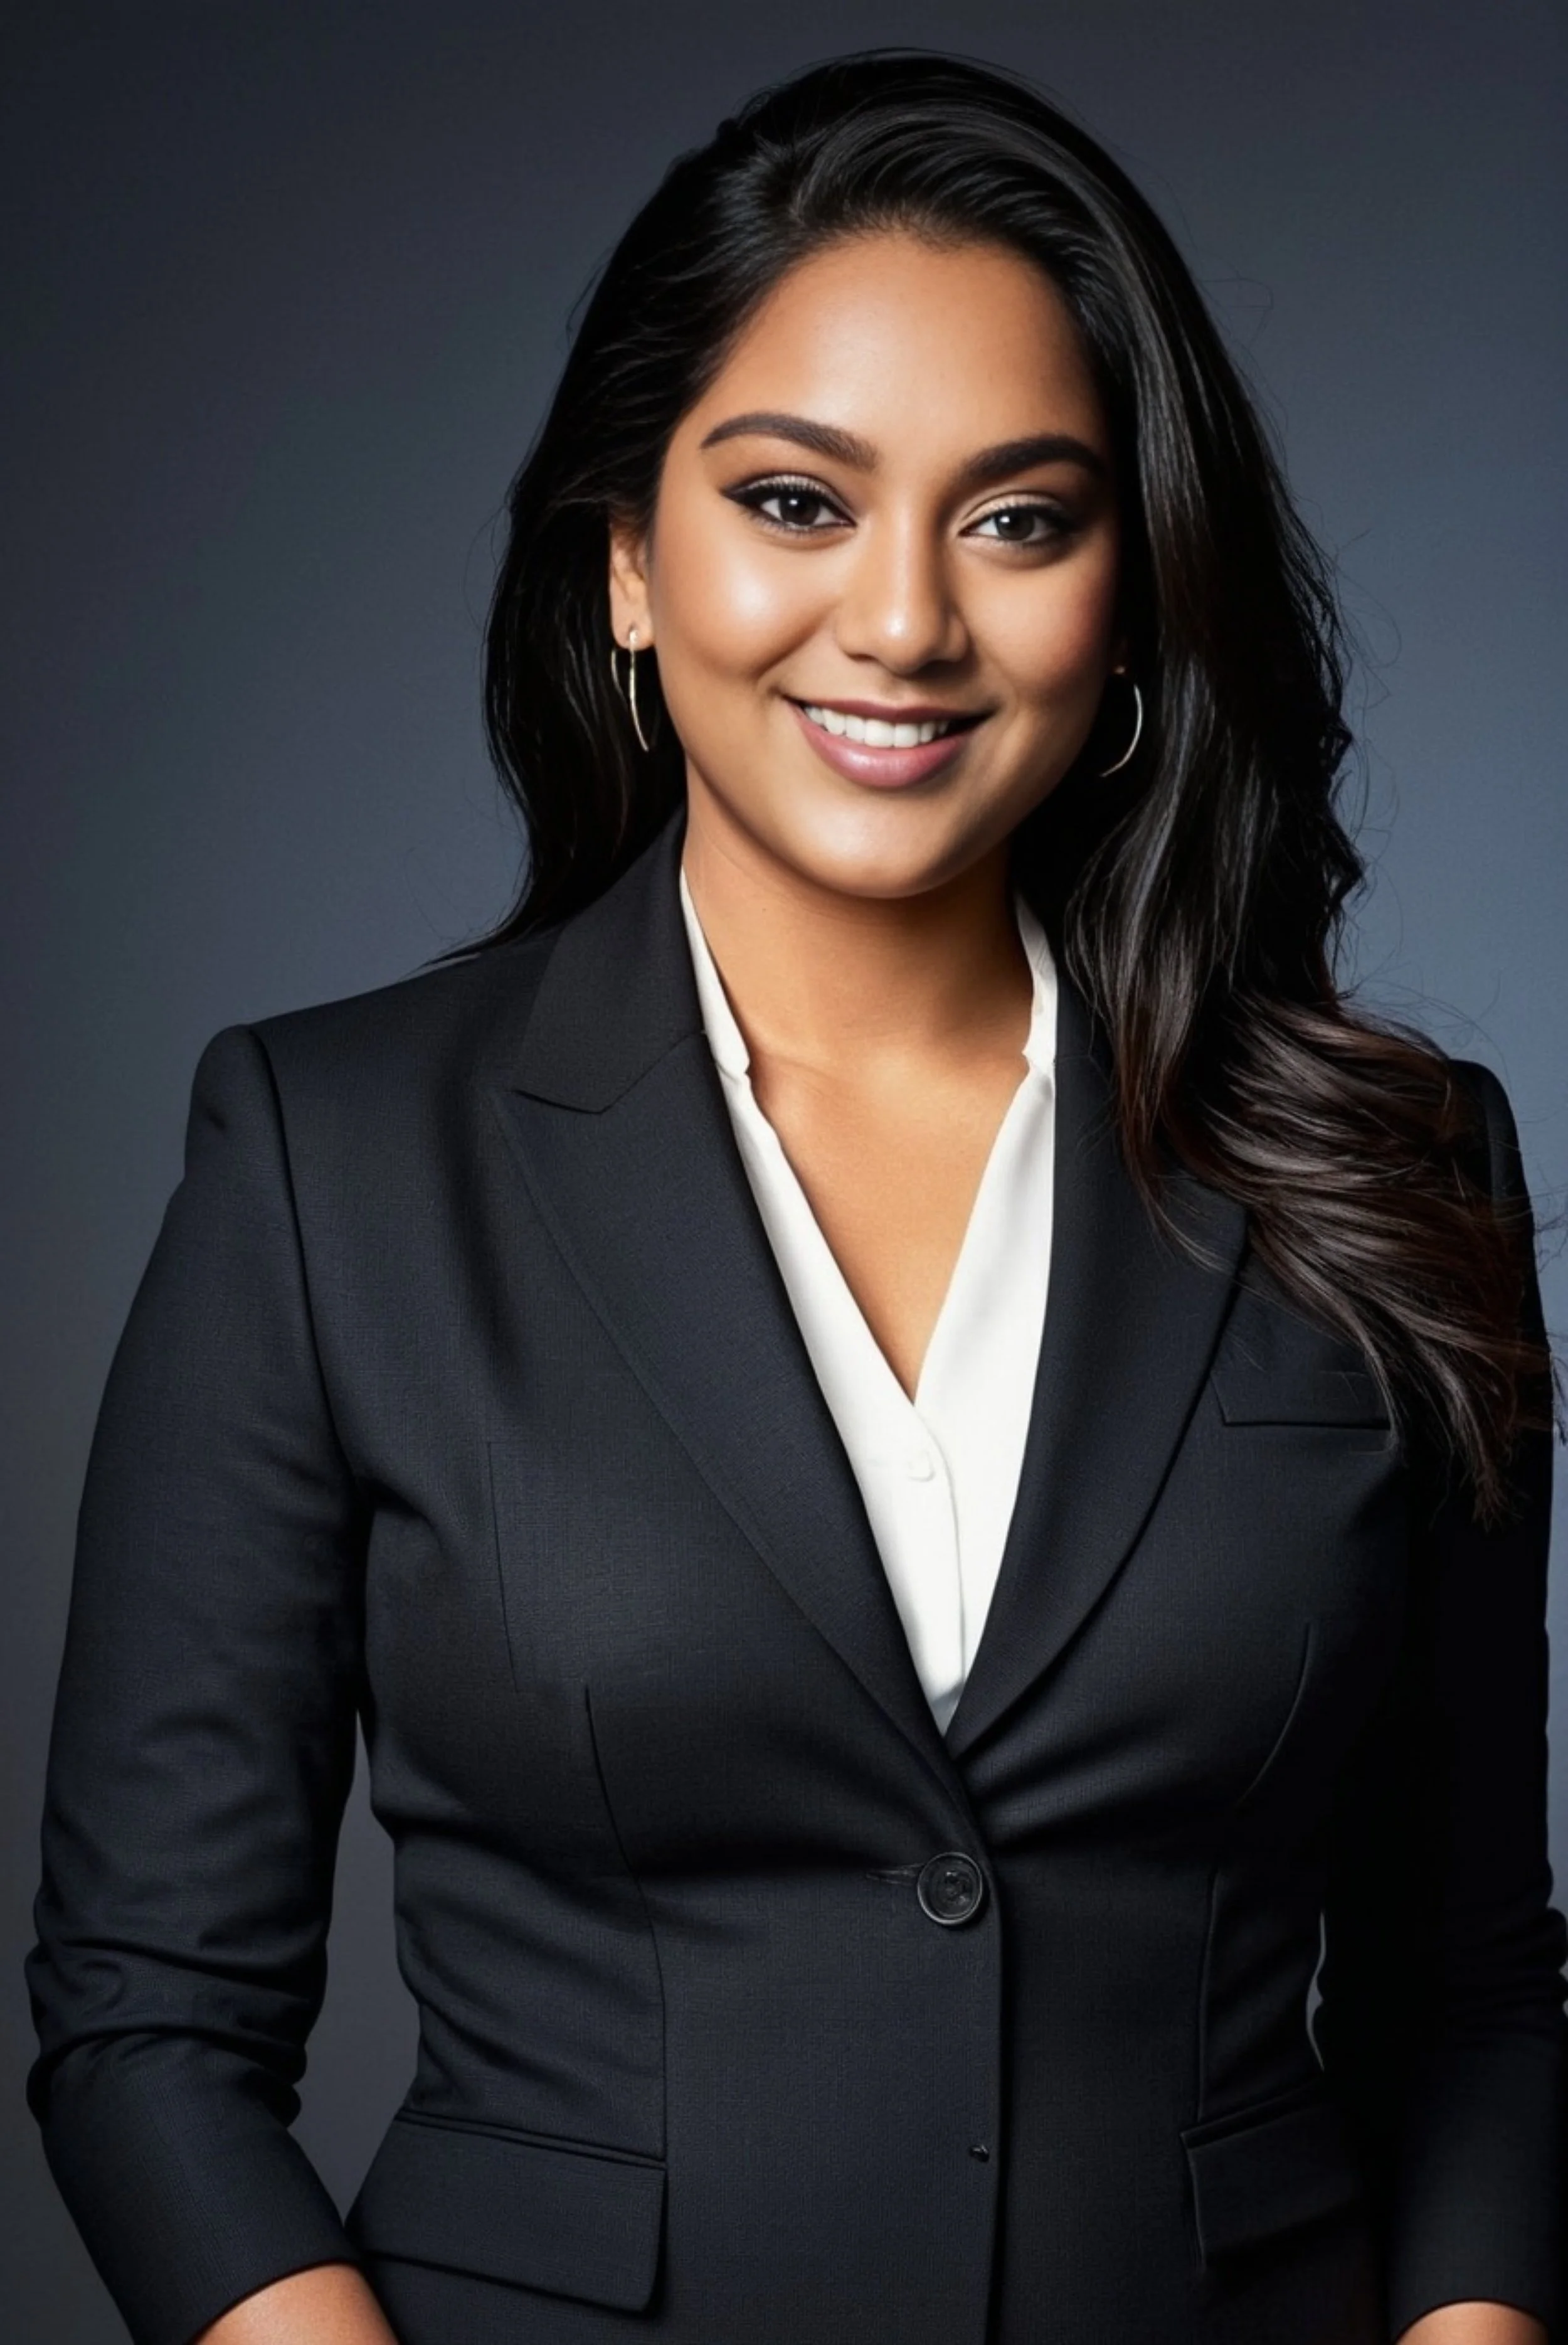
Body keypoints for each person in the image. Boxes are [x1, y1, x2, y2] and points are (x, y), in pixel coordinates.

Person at [24, 46, 1566, 2345]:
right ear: (631, 562)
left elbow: (1471, 1996)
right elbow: (148, 2025)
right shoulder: (332, 1159)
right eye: (794, 501)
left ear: (1133, 607)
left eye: (1020, 519)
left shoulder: (1384, 1166)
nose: (906, 624)